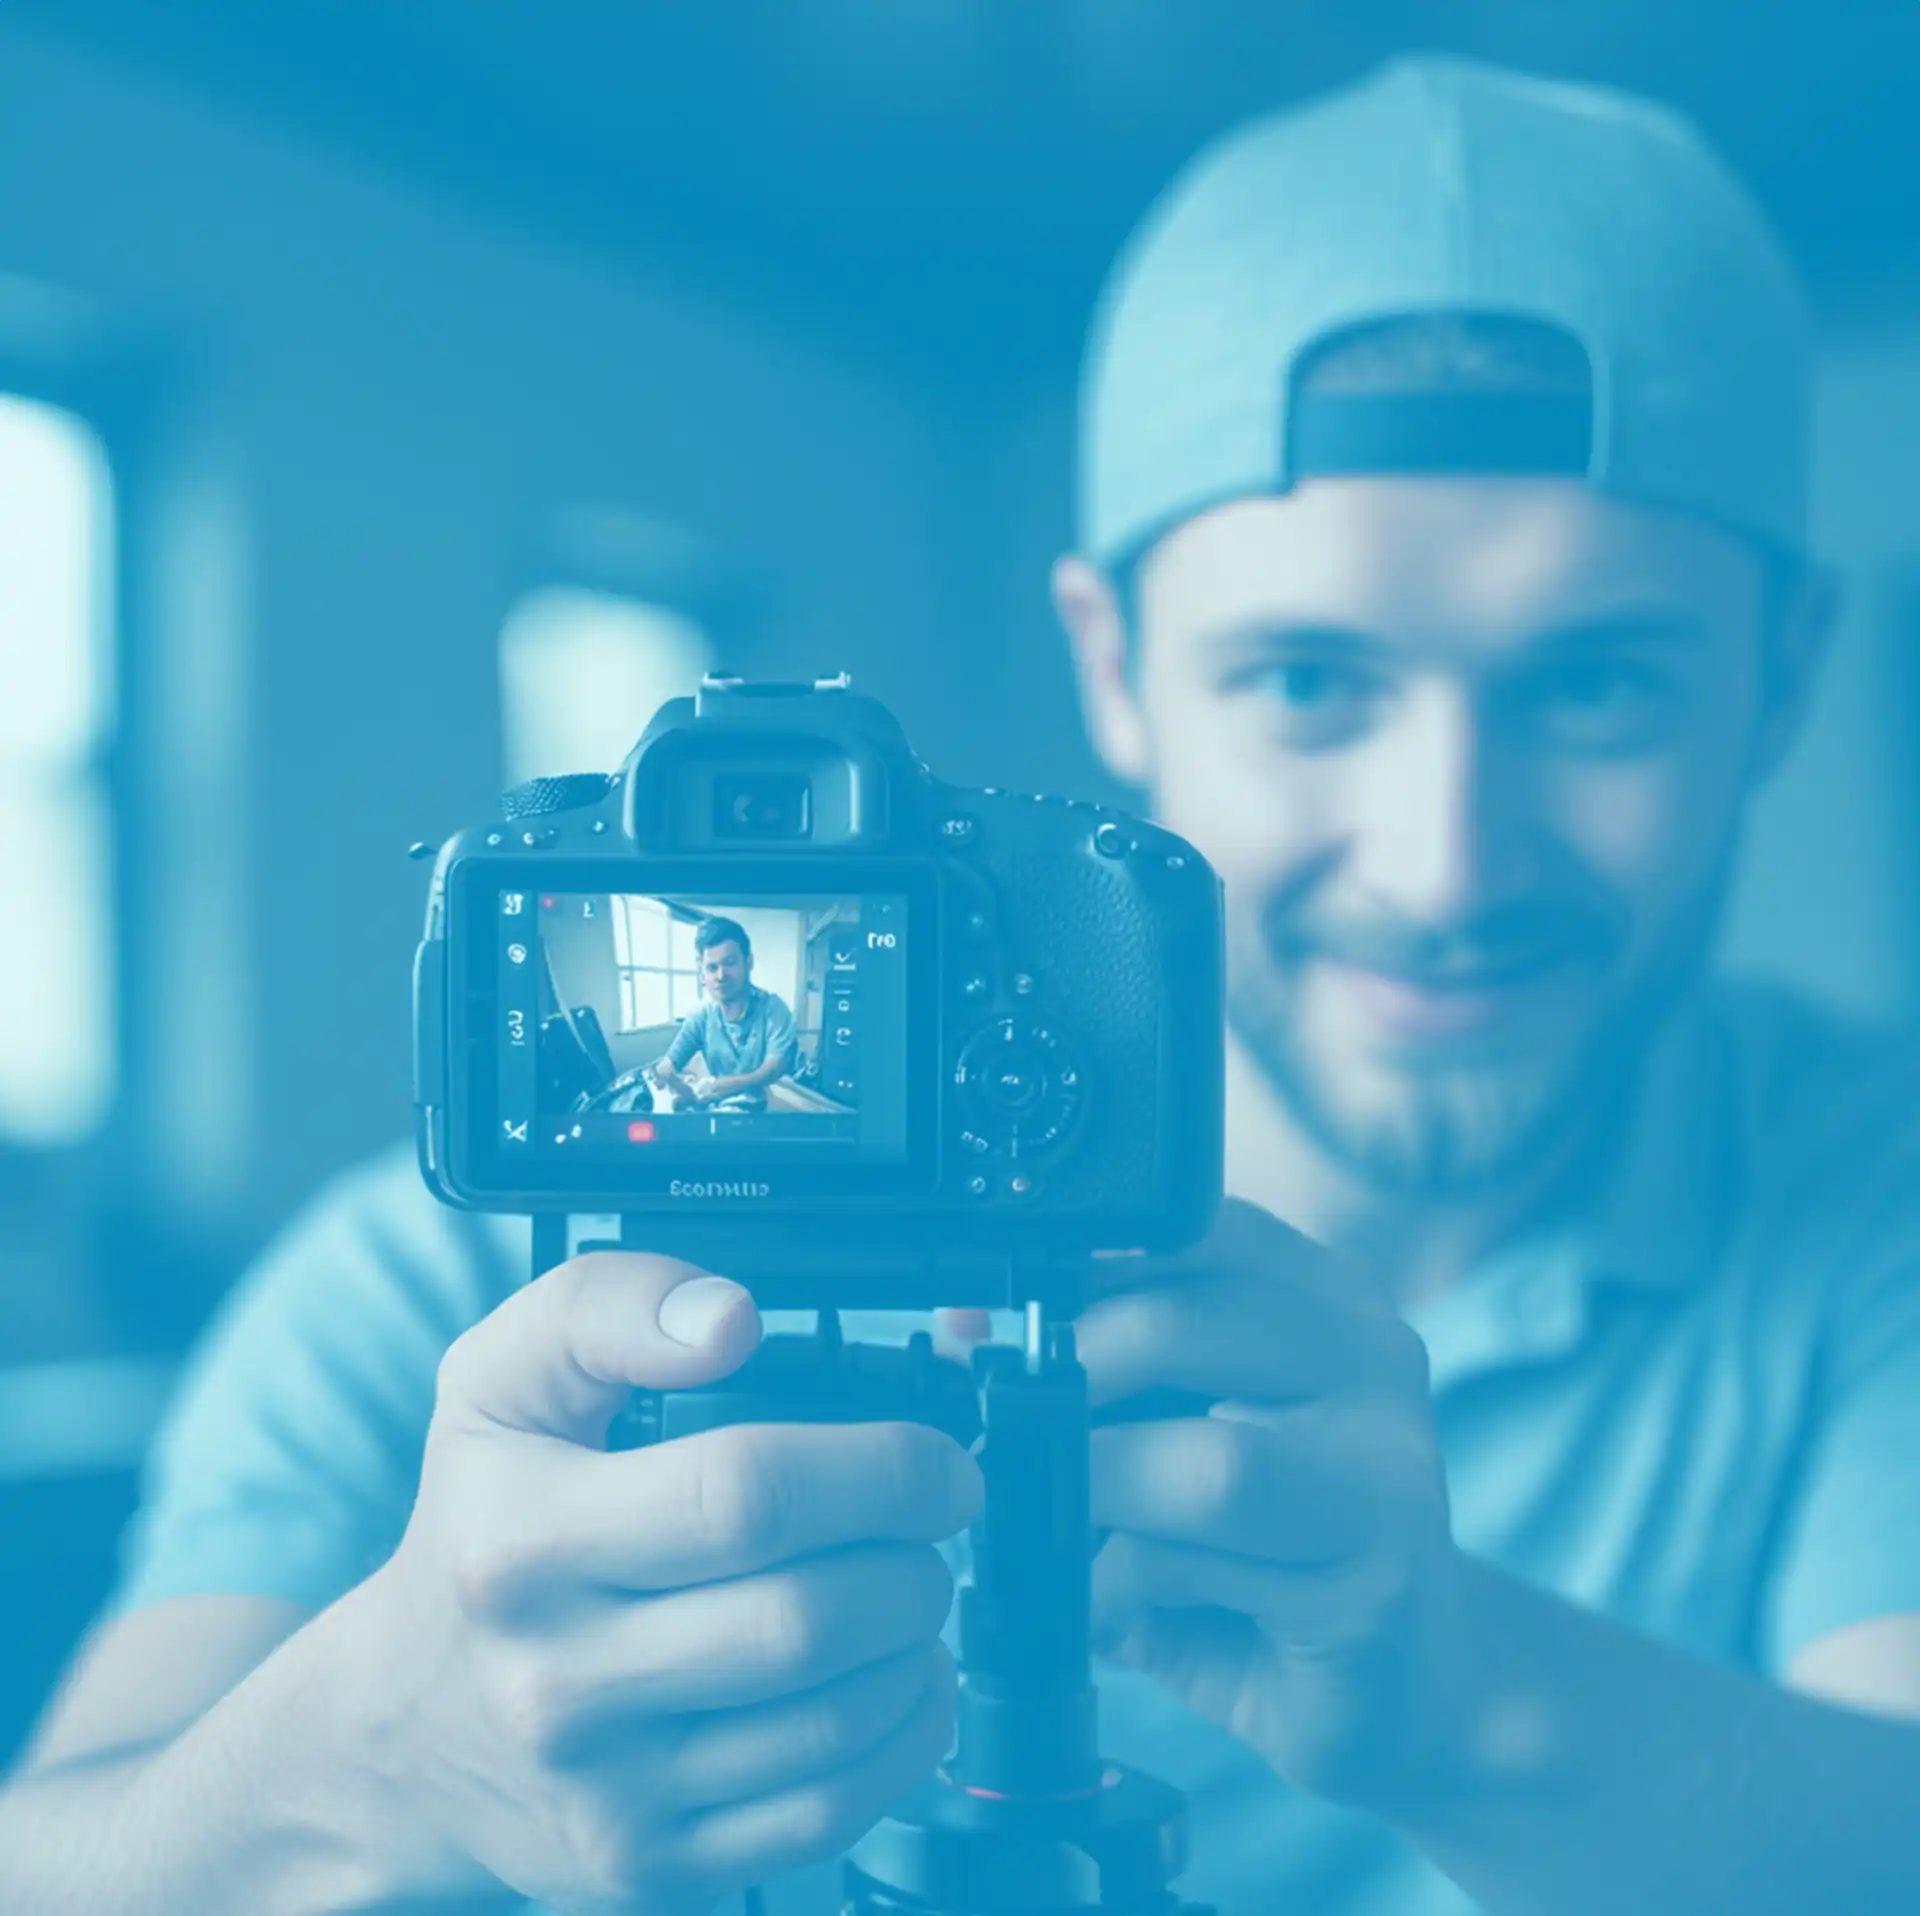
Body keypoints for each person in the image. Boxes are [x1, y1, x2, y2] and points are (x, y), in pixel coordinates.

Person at [5, 52, 1920, 1916]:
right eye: (1309, 685)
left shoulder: (1872, 1202)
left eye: (1594, 685)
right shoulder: (477, 1290)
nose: (1447, 859)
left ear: (1786, 671)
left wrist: (1464, 1699)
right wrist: (355, 1770)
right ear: (1114, 658)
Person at [649, 917, 799, 1113]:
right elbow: (667, 1066)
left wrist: (718, 1085)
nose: (721, 976)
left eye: (729, 963)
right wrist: (680, 1086)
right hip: (718, 1111)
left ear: (749, 962)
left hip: (764, 1113)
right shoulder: (700, 1017)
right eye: (712, 967)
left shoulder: (773, 1008)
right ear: (702, 974)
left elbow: (771, 1071)